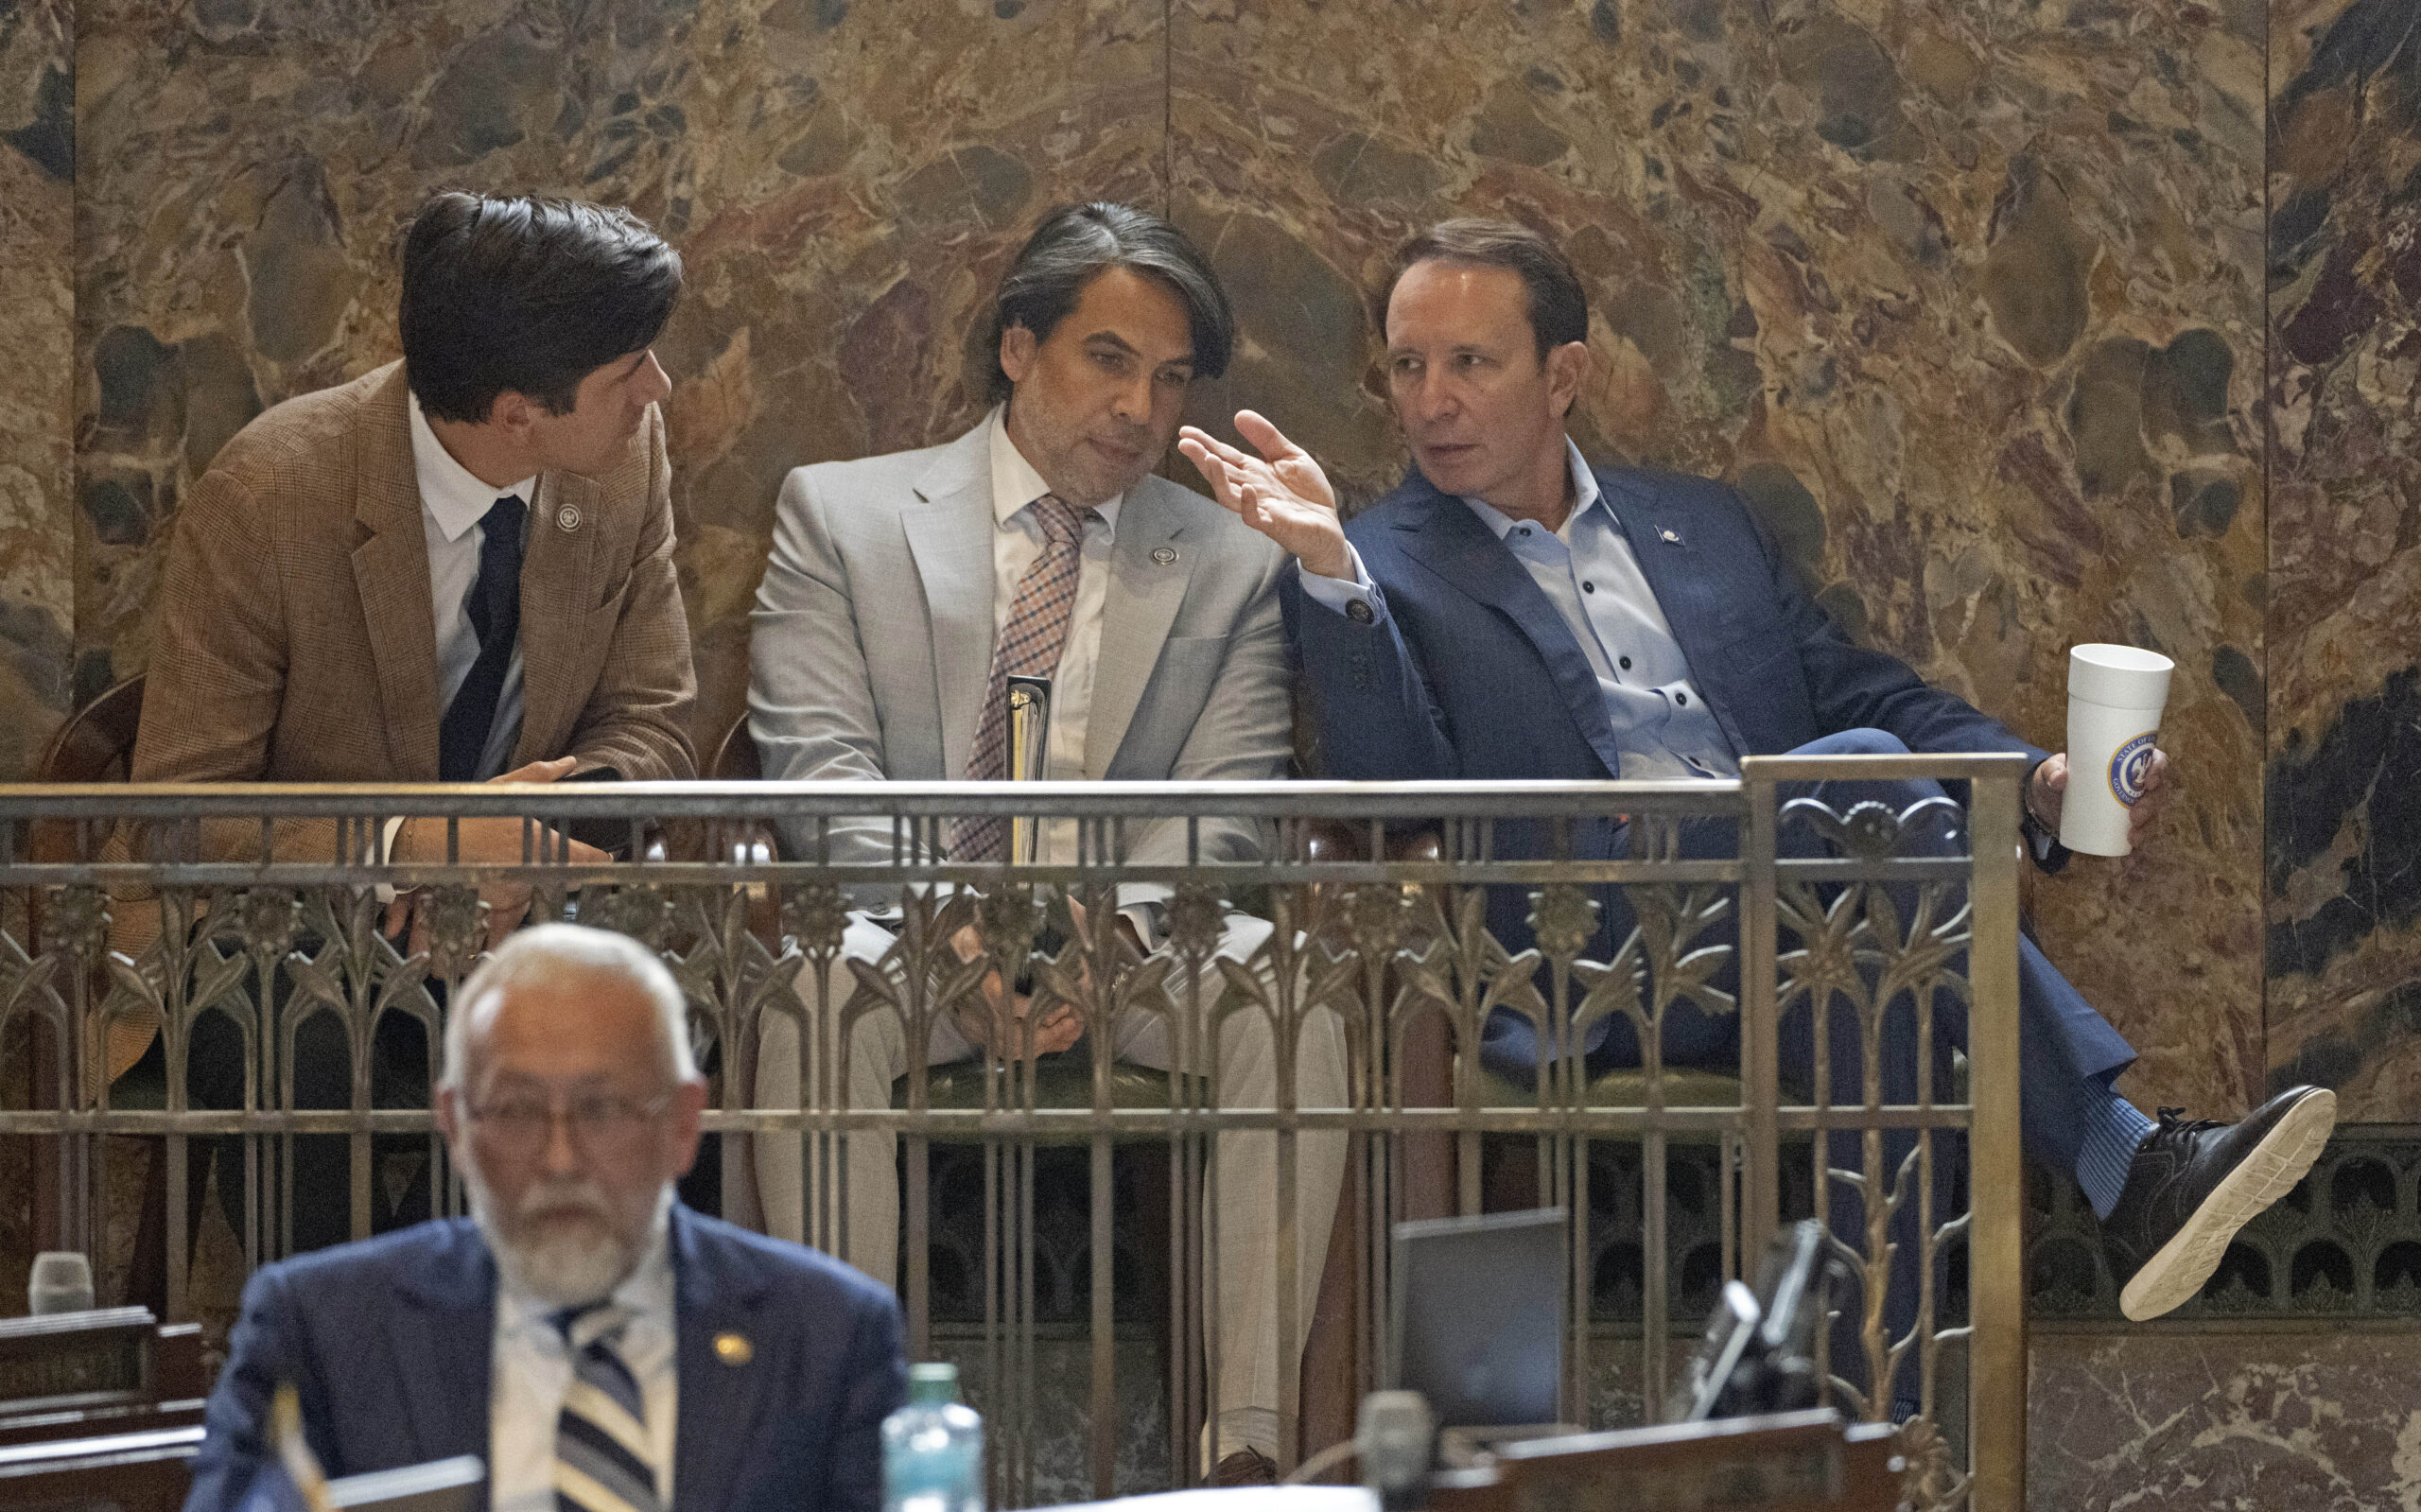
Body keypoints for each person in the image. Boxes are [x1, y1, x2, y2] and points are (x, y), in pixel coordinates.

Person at [1176, 217, 2333, 1382]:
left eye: (1469, 363)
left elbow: (1854, 686)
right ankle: (2118, 1159)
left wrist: (2033, 779)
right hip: (1590, 952)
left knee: (1878, 983)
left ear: (1563, 373)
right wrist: (1333, 581)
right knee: (1857, 801)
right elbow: (1395, 793)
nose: (1431, 399)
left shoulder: (1706, 526)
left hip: (1802, 913)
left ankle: (1855, 1431)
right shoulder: (1376, 560)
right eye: (1408, 365)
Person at [747, 201, 1346, 1484]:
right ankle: (850, 1445)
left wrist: (1111, 922)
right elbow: (819, 765)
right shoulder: (842, 517)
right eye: (1109, 358)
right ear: (1020, 347)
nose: (1139, 407)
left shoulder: (1231, 560)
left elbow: (1229, 801)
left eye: (1172, 376)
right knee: (806, 995)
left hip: (1129, 936)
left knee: (1293, 1004)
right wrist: (947, 916)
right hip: (910, 920)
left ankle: (1247, 1453)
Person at [116, 191, 700, 1255]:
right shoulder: (272, 489)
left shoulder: (626, 462)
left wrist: (524, 842)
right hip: (295, 917)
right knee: (284, 1020)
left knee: (633, 995)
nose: (658, 391)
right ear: (518, 411)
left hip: (527, 901)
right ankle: (354, 1349)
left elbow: (654, 722)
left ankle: (499, 1337)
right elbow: (182, 812)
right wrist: (410, 844)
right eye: (629, 372)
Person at [183, 924, 906, 1512]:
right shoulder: (322, 1329)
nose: (561, 1159)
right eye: (518, 1110)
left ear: (683, 1124)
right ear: (457, 1124)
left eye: (602, 1108)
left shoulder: (829, 1336)